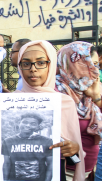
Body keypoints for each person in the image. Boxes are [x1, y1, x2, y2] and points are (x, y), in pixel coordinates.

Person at [0, 40, 85, 181]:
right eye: (26, 63)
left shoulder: (64, 103)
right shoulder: (7, 104)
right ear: (19, 67)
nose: (33, 69)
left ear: (51, 65)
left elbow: (73, 156)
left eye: (41, 62)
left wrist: (73, 149)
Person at [55, 41, 101, 181]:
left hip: (88, 171)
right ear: (71, 63)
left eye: (95, 64)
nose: (93, 70)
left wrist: (96, 97)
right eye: (87, 64)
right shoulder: (57, 92)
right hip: (65, 171)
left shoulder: (92, 89)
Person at [2, 112, 53, 181]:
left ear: (38, 126)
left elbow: (50, 164)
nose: (28, 125)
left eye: (33, 124)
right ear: (19, 123)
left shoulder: (47, 141)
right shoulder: (8, 141)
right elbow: (6, 163)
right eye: (25, 122)